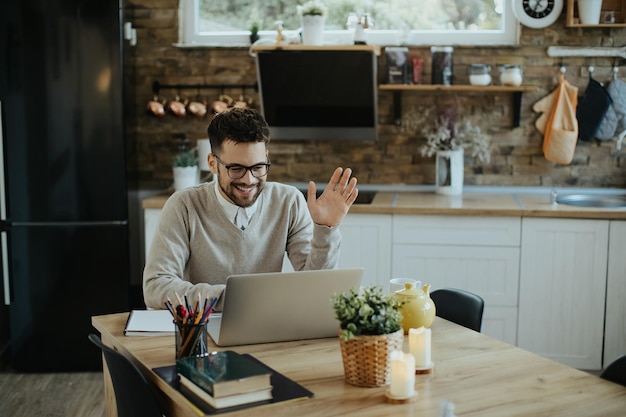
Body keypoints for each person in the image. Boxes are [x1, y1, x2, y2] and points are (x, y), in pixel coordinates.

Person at [143, 107, 358, 309]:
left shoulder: (288, 201)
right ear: (212, 163)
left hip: (267, 327)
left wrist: (325, 228)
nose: (249, 180)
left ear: (266, 159)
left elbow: (314, 285)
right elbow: (156, 286)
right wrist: (234, 298)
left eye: (258, 167)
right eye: (236, 169)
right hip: (203, 329)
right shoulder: (183, 206)